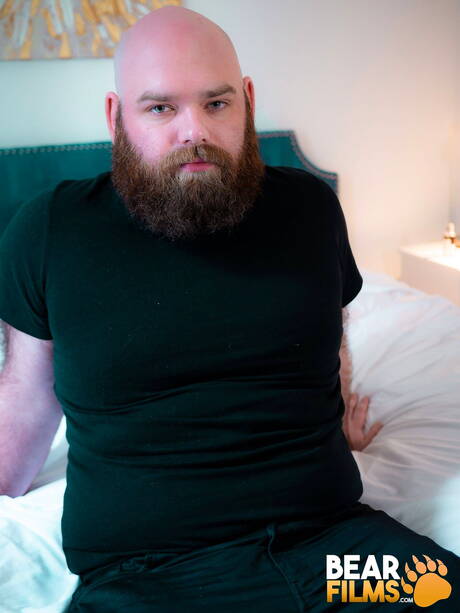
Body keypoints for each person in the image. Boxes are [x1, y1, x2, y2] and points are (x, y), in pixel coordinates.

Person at [0, 6, 458, 612]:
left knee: (440, 593)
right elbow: (27, 397)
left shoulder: (309, 209)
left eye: (216, 103)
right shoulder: (52, 229)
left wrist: (337, 418)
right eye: (161, 108)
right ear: (115, 117)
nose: (194, 130)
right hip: (152, 579)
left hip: (337, 553)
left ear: (247, 101)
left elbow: (327, 334)